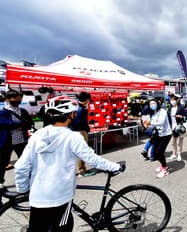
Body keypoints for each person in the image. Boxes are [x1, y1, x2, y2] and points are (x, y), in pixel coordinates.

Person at [14, 96, 124, 232]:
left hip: (38, 196)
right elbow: (92, 159)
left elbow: (21, 166)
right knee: (63, 228)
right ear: (71, 115)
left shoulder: (37, 135)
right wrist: (115, 166)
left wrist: (23, 189)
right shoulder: (73, 137)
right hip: (61, 196)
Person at [0, 90, 33, 189]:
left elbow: (29, 122)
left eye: (18, 99)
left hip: (21, 141)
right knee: (2, 163)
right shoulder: (2, 112)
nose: (16, 101)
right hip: (6, 142)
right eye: (13, 99)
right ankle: (0, 182)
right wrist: (22, 123)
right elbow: (8, 124)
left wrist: (22, 124)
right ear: (7, 99)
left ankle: (29, 180)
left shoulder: (23, 111)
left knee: (26, 162)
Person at [142, 99, 173, 178]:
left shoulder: (163, 111)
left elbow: (161, 122)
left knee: (159, 152)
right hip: (159, 134)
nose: (152, 105)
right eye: (150, 104)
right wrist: (147, 125)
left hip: (166, 134)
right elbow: (153, 125)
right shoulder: (154, 113)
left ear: (157, 103)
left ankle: (165, 170)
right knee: (156, 152)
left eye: (153, 103)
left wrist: (150, 123)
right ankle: (162, 166)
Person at [70, 92, 94, 176]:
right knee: (82, 150)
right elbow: (78, 122)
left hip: (78, 131)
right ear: (87, 99)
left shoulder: (77, 107)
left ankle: (82, 169)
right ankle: (82, 171)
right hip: (81, 131)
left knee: (81, 150)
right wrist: (86, 128)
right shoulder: (81, 109)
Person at [168, 96, 187, 161]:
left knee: (179, 142)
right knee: (173, 142)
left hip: (179, 127)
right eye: (171, 100)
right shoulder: (170, 108)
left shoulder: (181, 107)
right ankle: (174, 154)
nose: (171, 101)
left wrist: (180, 116)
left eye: (173, 100)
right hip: (172, 127)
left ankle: (179, 154)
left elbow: (185, 117)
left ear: (177, 100)